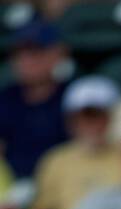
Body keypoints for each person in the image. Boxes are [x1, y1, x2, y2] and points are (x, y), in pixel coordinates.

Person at [32, 76, 121, 209]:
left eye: (97, 116)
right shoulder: (55, 160)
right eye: (83, 116)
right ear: (71, 121)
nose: (91, 124)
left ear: (112, 118)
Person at [0, 21, 68, 181]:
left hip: (61, 183)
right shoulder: (5, 99)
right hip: (12, 186)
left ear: (56, 54)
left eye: (35, 52)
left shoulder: (73, 96)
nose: (27, 60)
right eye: (20, 54)